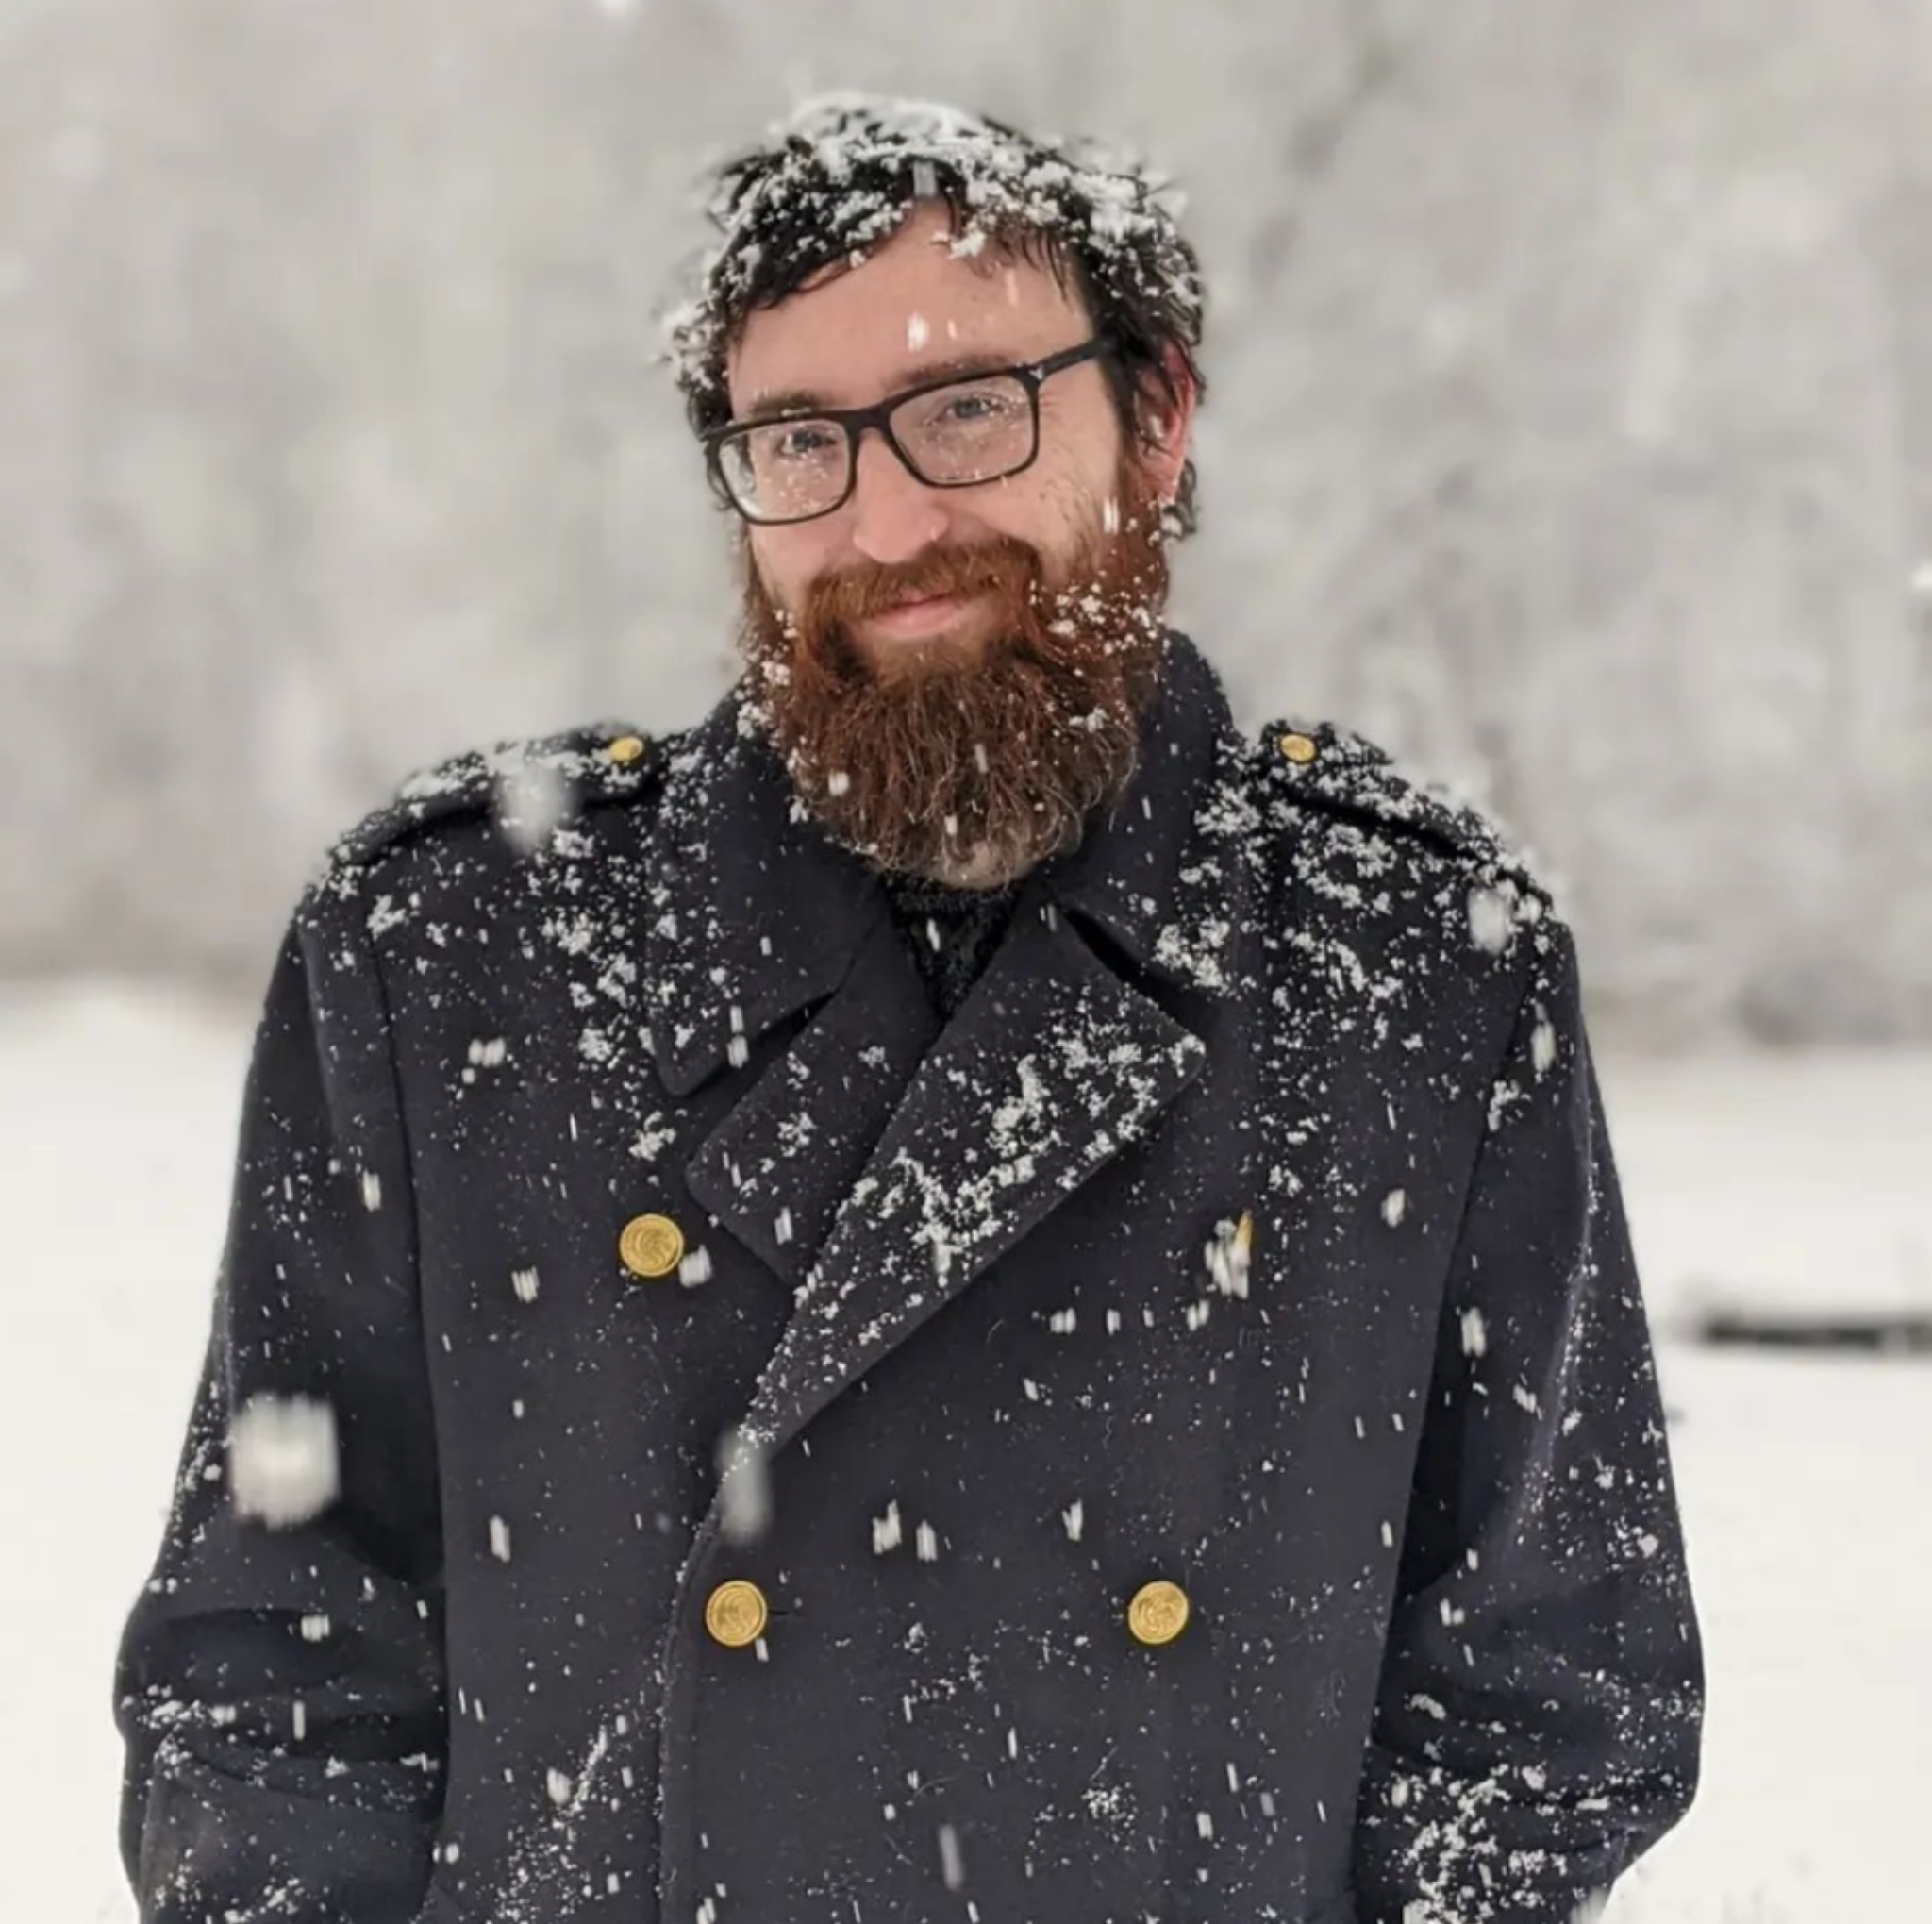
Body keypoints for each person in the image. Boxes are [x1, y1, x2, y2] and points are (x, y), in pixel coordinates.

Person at [113, 93, 1703, 1924]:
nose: (888, 520)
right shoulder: (456, 951)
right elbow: (276, 1669)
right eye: (799, 439)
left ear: (1158, 416)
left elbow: (1547, 1687)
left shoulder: (1410, 961)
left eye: (967, 409)